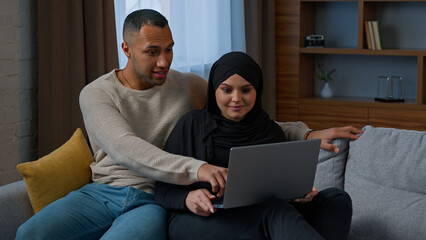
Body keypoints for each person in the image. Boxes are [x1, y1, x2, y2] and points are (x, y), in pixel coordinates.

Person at [16, 9, 360, 240]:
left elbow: (236, 111)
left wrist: (306, 132)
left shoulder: (190, 86)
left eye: (169, 49)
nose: (164, 61)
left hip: (155, 198)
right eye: (152, 51)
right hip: (103, 191)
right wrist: (200, 169)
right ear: (126, 48)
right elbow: (126, 149)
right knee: (27, 235)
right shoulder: (96, 94)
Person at [155, 51, 356, 240]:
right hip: (200, 218)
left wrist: (298, 193)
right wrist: (187, 197)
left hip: (258, 214)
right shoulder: (191, 125)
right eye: (226, 89)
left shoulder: (269, 130)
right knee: (274, 212)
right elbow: (161, 188)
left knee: (336, 199)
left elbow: (277, 188)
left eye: (245, 90)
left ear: (257, 90)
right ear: (214, 89)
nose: (236, 99)